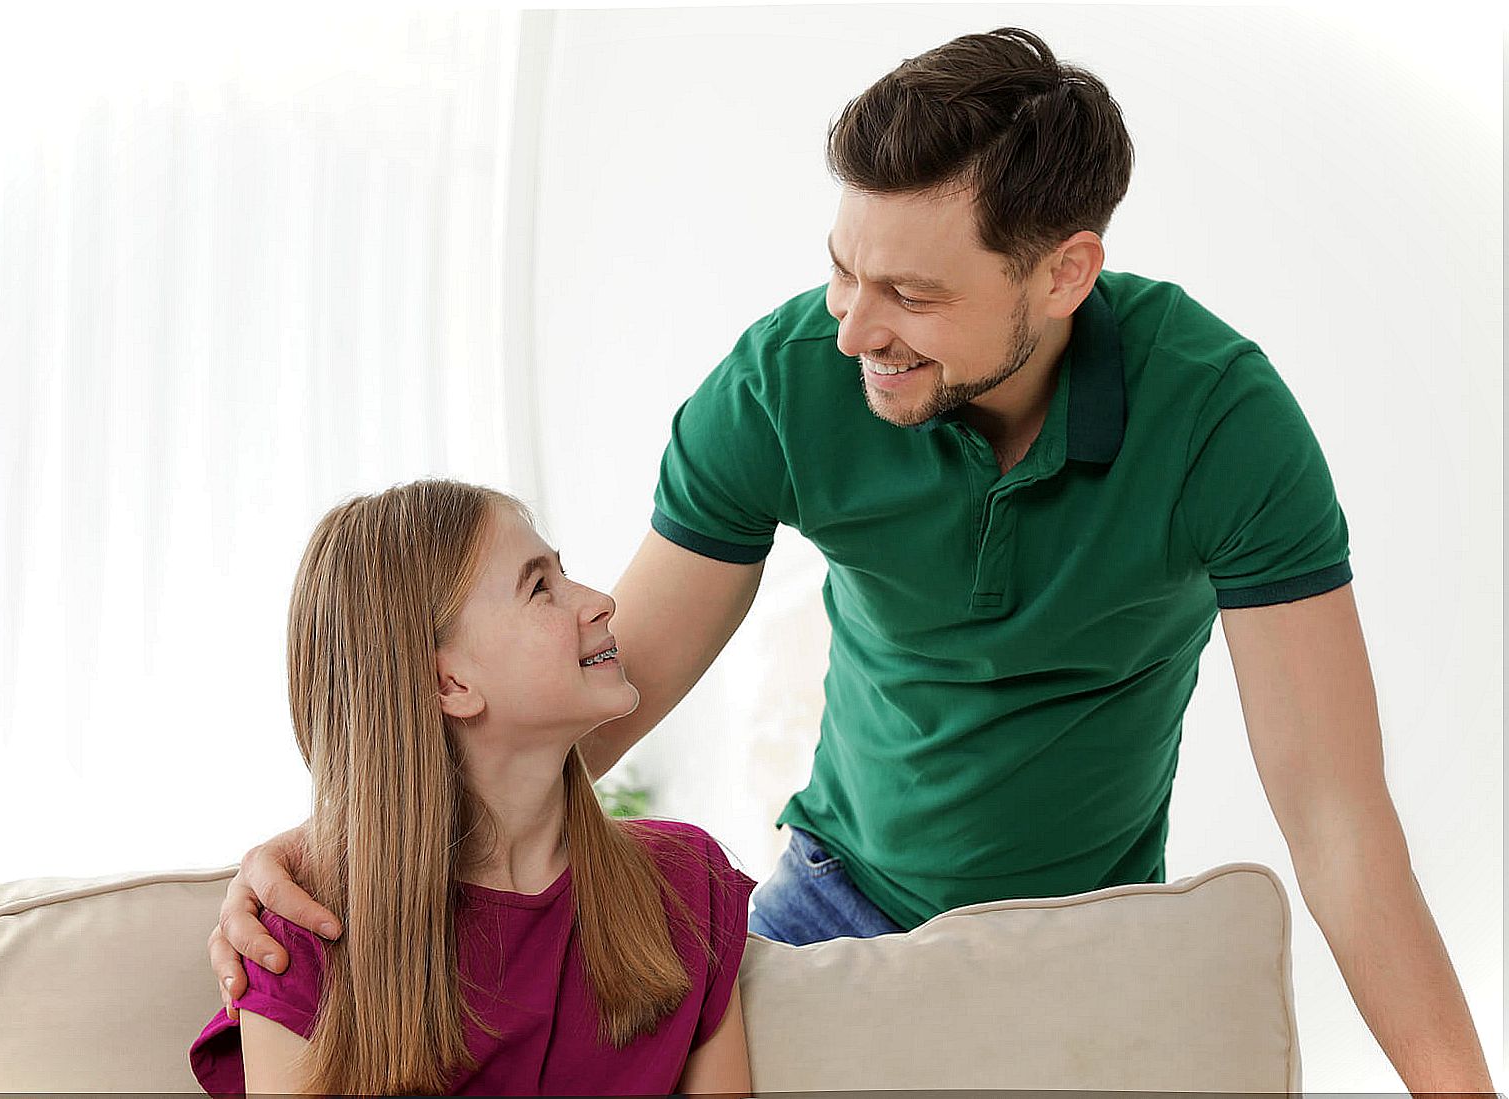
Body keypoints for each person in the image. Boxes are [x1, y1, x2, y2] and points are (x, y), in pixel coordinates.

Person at [209, 28, 1494, 1093]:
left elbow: (1335, 812)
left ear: (1063, 274)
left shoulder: (1219, 422)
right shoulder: (785, 382)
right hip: (836, 901)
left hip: (1088, 924)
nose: (855, 327)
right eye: (842, 268)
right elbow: (616, 685)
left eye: (913, 297)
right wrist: (349, 849)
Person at [189, 481, 754, 1096]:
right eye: (541, 588)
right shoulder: (303, 942)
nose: (601, 602)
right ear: (450, 684)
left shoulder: (687, 884)